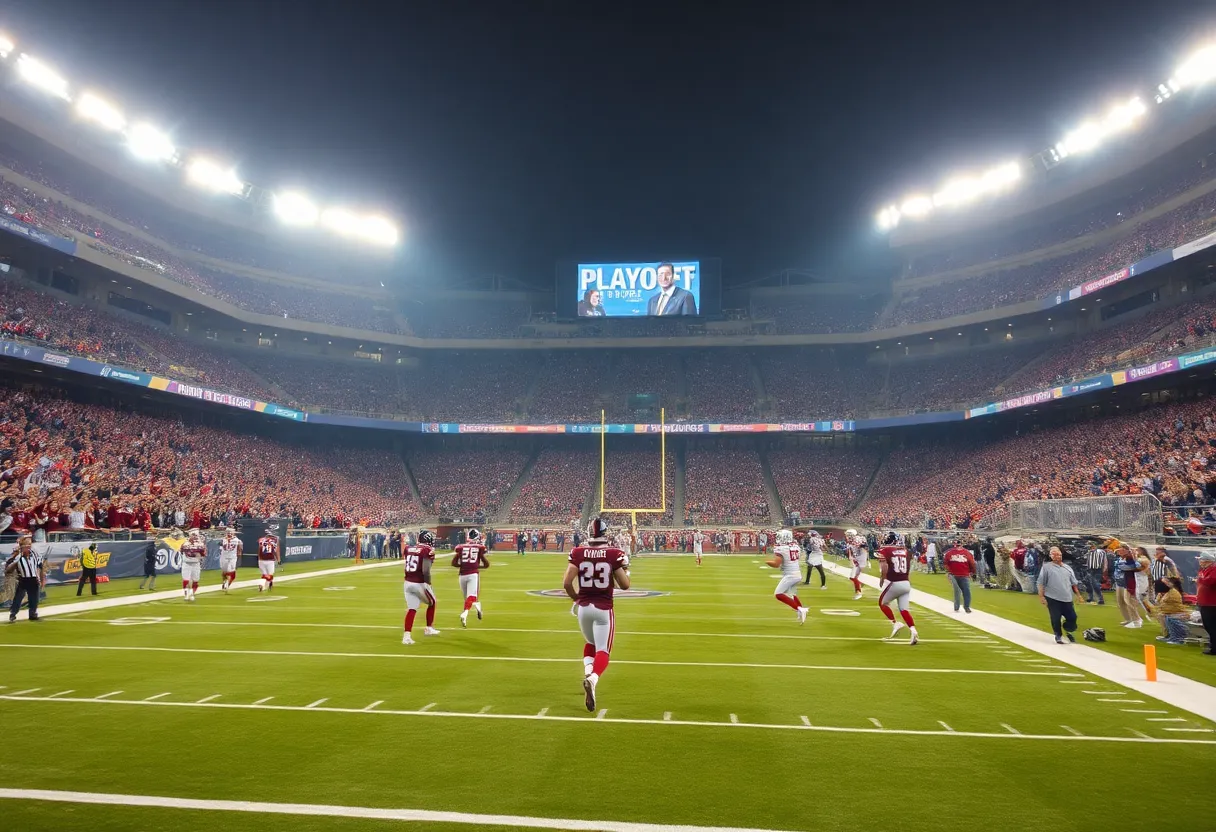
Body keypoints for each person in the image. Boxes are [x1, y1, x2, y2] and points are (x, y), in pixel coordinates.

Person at [562, 516, 630, 712]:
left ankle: (588, 674)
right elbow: (625, 585)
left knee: (590, 643)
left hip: (584, 608)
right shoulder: (613, 554)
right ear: (605, 533)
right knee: (603, 651)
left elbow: (566, 583)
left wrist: (576, 599)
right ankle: (592, 679)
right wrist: (625, 571)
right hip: (603, 609)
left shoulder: (578, 552)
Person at [1037, 546, 1085, 644]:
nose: (1056, 556)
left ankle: (1068, 630)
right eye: (1053, 554)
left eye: (1058, 554)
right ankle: (1058, 635)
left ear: (1061, 555)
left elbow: (1073, 583)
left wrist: (1079, 595)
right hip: (1052, 597)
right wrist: (1041, 596)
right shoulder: (1046, 567)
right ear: (1050, 556)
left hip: (1067, 597)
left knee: (1072, 617)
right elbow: (1041, 582)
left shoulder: (1068, 568)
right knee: (1055, 617)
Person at [877, 532, 918, 645]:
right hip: (906, 583)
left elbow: (884, 567)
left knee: (882, 603)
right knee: (904, 610)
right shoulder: (905, 551)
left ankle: (895, 623)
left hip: (894, 583)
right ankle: (913, 630)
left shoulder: (886, 550)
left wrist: (882, 578)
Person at [402, 530, 440, 645]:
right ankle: (429, 628)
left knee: (412, 609)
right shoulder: (427, 550)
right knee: (432, 602)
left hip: (407, 582)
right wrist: (428, 583)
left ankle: (406, 637)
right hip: (419, 583)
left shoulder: (408, 548)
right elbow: (426, 570)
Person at [767, 528, 809, 624]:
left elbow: (776, 564)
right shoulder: (795, 546)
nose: (778, 538)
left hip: (790, 575)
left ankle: (800, 609)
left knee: (778, 594)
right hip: (796, 573)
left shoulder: (782, 549)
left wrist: (767, 562)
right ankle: (800, 612)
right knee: (792, 594)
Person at [451, 528, 489, 628]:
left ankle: (478, 607)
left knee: (468, 599)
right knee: (471, 597)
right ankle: (465, 613)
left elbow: (453, 563)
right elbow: (486, 564)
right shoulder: (479, 547)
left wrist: (464, 566)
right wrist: (476, 566)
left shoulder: (461, 547)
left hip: (462, 575)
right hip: (472, 574)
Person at [4, 535, 44, 622]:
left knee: (34, 598)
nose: (29, 547)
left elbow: (39, 566)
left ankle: (32, 614)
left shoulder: (34, 554)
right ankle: (13, 614)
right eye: (26, 545)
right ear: (22, 547)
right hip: (23, 579)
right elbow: (8, 569)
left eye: (29, 545)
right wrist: (14, 561)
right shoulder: (18, 556)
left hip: (33, 579)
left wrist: (39, 577)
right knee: (18, 598)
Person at [1153, 576, 1191, 646]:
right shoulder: (1164, 593)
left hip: (1178, 613)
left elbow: (1165, 606)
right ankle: (1169, 636)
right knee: (1164, 616)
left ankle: (1178, 639)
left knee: (1170, 618)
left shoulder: (1172, 593)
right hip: (1171, 613)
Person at [943, 538, 976, 613]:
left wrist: (972, 572)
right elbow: (945, 563)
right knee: (961, 590)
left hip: (961, 574)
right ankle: (960, 606)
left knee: (963, 591)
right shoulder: (950, 553)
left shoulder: (965, 553)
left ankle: (964, 606)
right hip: (956, 574)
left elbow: (972, 563)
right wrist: (973, 572)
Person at [1198, 551, 1216, 656]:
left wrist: (1201, 578)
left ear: (1207, 561)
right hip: (1205, 602)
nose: (1199, 562)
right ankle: (1213, 645)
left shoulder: (1214, 570)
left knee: (1211, 626)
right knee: (1208, 626)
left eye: (1201, 560)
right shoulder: (1204, 570)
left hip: (1211, 603)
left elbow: (1210, 581)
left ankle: (1214, 648)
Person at [180, 529, 206, 602]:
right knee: (186, 579)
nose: (195, 537)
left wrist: (200, 555)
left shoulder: (200, 544)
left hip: (196, 564)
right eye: (193, 535)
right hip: (187, 563)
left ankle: (191, 593)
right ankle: (187, 594)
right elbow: (183, 551)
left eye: (196, 535)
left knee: (195, 580)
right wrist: (194, 554)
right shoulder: (185, 543)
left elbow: (203, 554)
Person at [219, 527, 242, 593]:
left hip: (232, 557)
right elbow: (220, 548)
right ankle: (224, 582)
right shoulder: (223, 540)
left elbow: (240, 550)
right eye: (228, 532)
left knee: (231, 571)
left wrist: (238, 558)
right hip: (224, 557)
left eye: (230, 532)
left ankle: (227, 585)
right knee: (225, 571)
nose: (229, 534)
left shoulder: (237, 540)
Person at [847, 532, 869, 600]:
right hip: (858, 560)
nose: (847, 536)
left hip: (859, 561)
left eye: (848, 534)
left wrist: (855, 558)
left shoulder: (857, 540)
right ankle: (859, 585)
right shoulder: (852, 542)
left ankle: (858, 592)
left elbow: (864, 549)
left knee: (853, 577)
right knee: (854, 577)